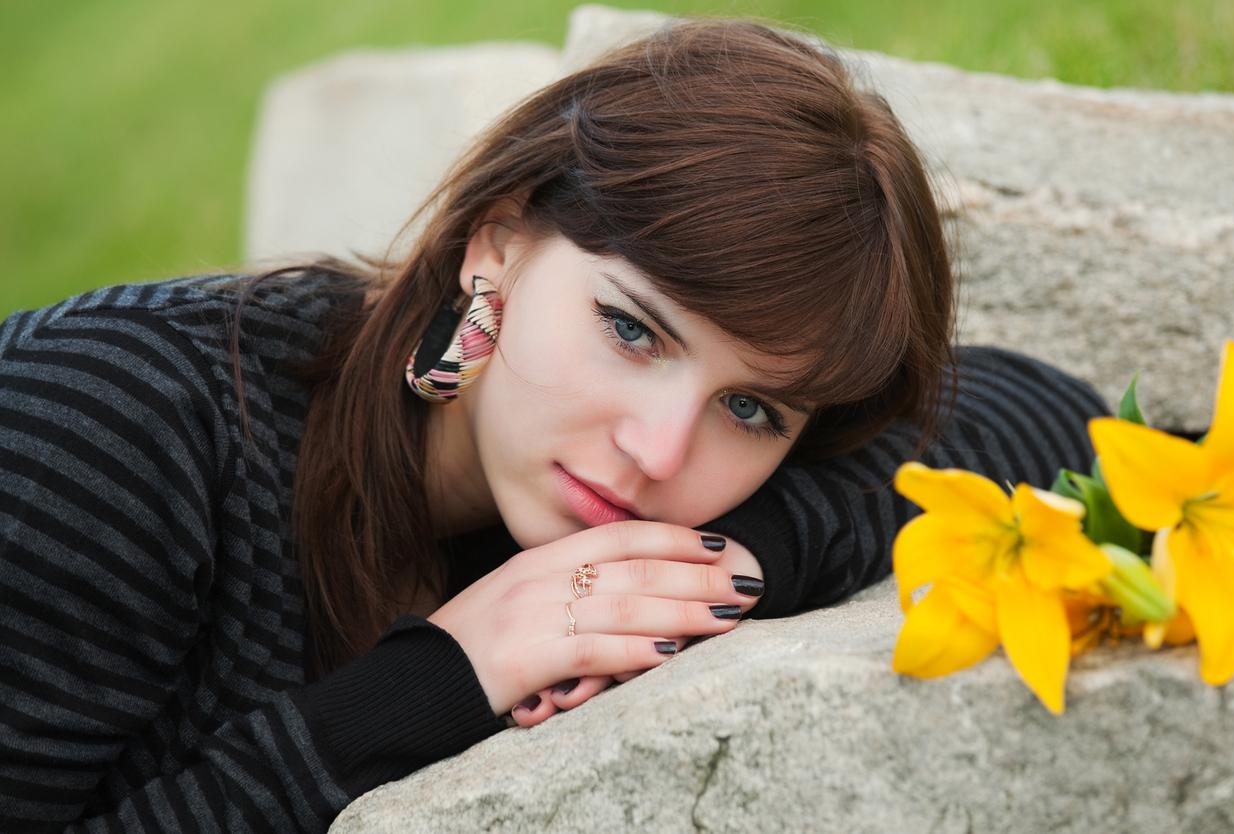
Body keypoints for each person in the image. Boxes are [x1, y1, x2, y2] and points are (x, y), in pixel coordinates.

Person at [0, 15, 1109, 833]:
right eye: (632, 330)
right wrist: (439, 681)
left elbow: (1049, 411)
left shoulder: (579, 489)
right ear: (496, 241)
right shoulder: (105, 430)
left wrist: (709, 567)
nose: (660, 452)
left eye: (751, 408)